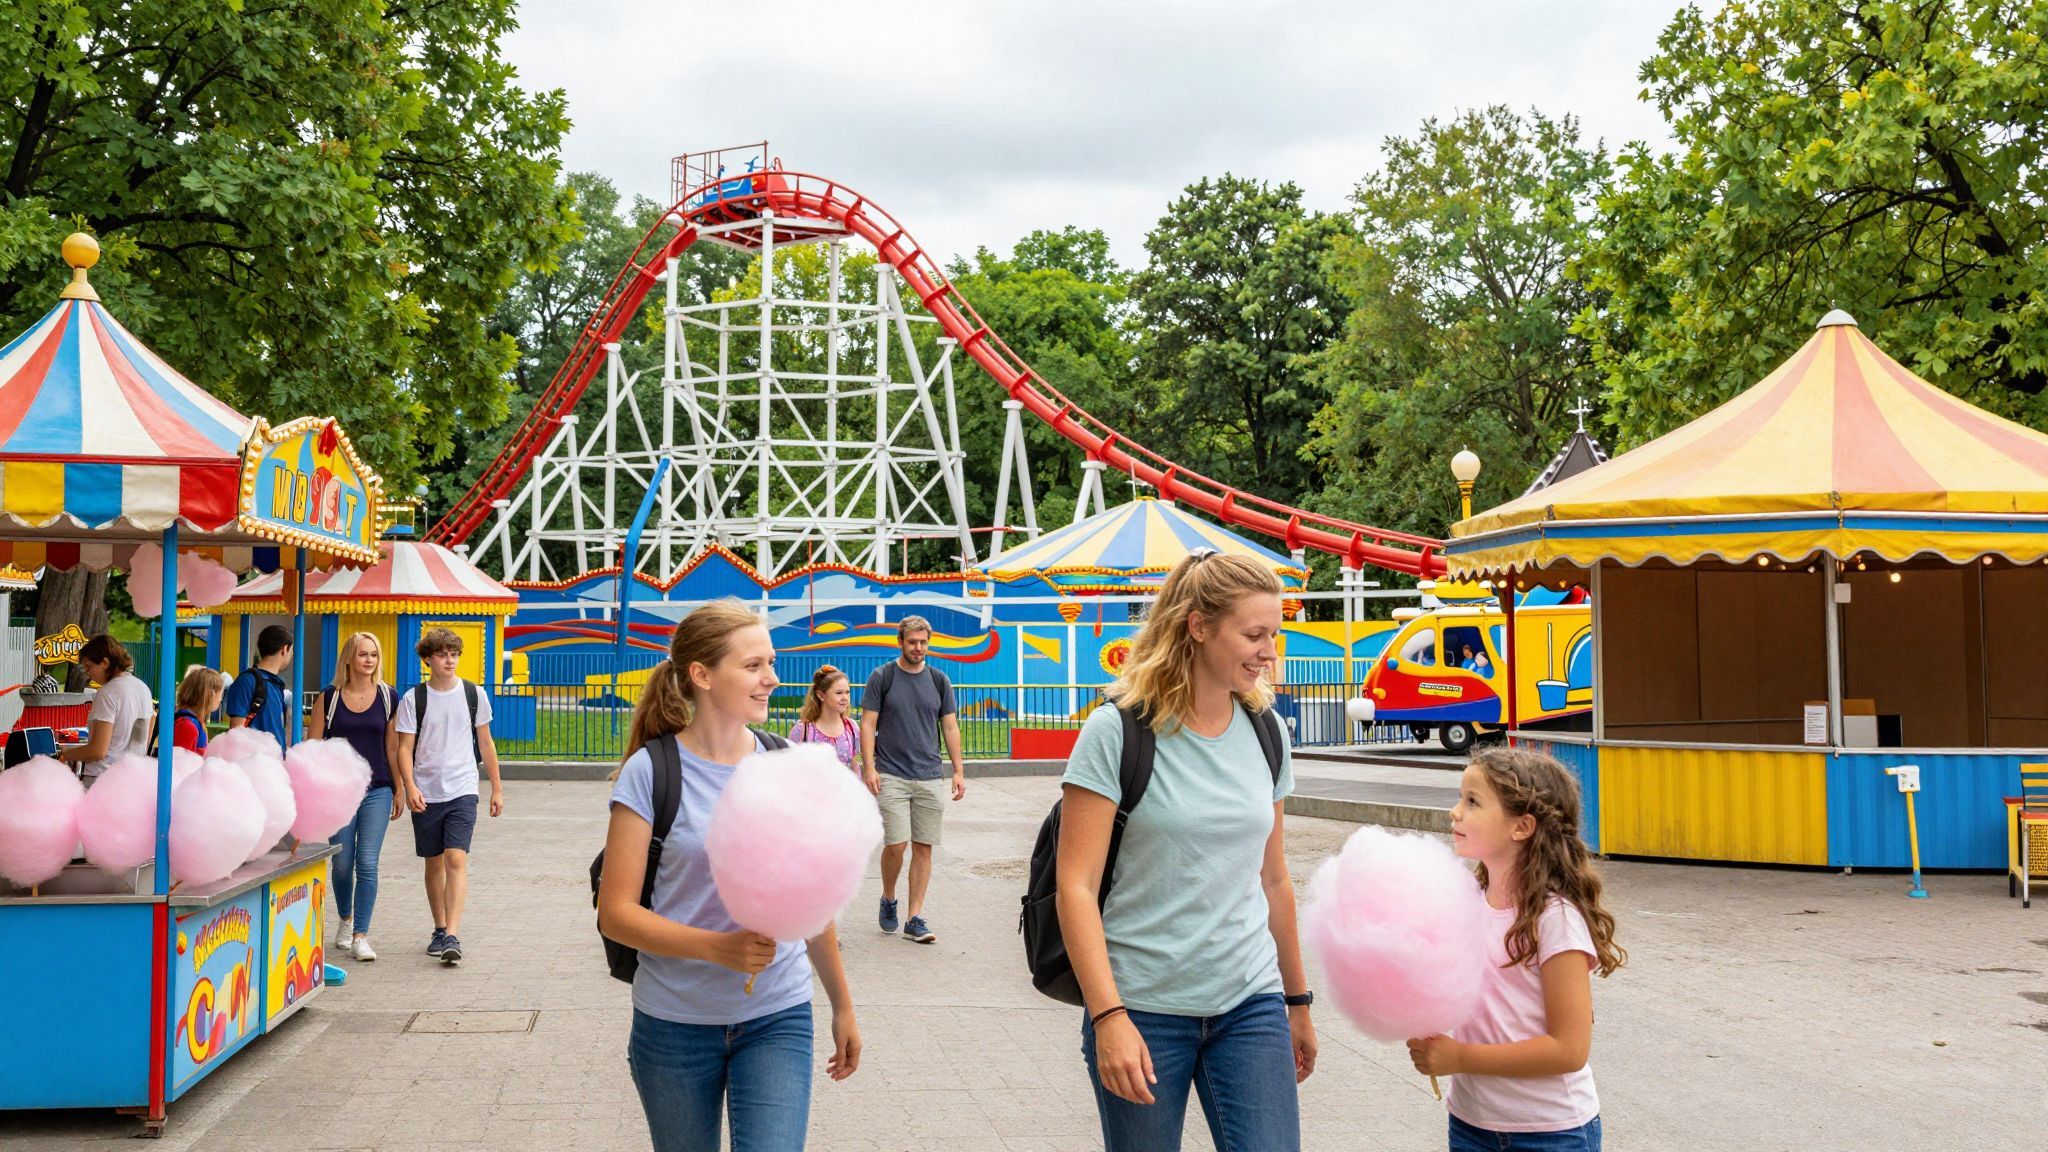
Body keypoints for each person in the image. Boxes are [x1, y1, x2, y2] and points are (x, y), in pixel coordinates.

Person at [1056, 551, 1316, 1152]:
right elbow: (1075, 886)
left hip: (1249, 1003)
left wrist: (1296, 1001)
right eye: (1254, 635)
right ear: (1198, 626)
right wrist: (1108, 1018)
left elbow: (1274, 880)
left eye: (1274, 634)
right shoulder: (1117, 730)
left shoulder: (1267, 731)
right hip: (1142, 1007)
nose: (1268, 652)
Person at [597, 600, 860, 1152]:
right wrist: (718, 948)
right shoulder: (652, 771)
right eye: (753, 666)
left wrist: (841, 1004)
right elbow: (615, 914)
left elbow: (810, 900)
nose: (772, 678)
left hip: (777, 1015)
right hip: (673, 1023)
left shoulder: (785, 762)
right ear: (702, 675)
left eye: (771, 661)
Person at [1407, 747, 1626, 1151]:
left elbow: (1569, 1049)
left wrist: (1460, 1058)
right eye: (1460, 798)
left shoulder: (1554, 918)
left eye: (1472, 801)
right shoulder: (1462, 900)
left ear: (1521, 827)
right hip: (1472, 1124)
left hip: (1552, 1133)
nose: (1456, 811)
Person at [392, 627, 502, 966]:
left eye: (454, 653)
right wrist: (410, 786)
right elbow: (404, 748)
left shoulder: (473, 694)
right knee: (434, 862)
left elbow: (486, 743)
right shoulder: (414, 699)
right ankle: (439, 929)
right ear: (428, 659)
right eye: (442, 654)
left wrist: (496, 787)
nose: (450, 659)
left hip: (463, 788)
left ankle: (452, 934)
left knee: (456, 858)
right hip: (426, 790)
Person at [859, 616, 965, 944]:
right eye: (912, 642)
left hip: (930, 775)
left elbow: (949, 726)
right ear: (900, 642)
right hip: (891, 773)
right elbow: (867, 723)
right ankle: (888, 897)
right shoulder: (883, 677)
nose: (918, 648)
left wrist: (958, 770)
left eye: (923, 642)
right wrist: (870, 768)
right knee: (896, 843)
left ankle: (914, 917)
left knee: (923, 846)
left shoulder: (938, 680)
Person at [310, 632, 399, 962]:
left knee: (367, 862)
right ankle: (345, 920)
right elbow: (314, 747)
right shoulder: (330, 697)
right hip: (339, 792)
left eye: (374, 654)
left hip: (378, 789)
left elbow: (393, 747)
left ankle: (362, 934)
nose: (369, 660)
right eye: (363, 654)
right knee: (343, 863)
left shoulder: (388, 696)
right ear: (348, 658)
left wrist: (400, 787)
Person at [59, 635, 155, 780]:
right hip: (134, 778)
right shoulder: (143, 688)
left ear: (105, 662)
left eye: (88, 666)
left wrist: (66, 753)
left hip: (102, 779)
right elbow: (147, 731)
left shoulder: (107, 693)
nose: (87, 673)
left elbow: (98, 751)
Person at [222, 623, 294, 750]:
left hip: (273, 763)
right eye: (291, 650)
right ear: (284, 649)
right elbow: (236, 733)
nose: (292, 655)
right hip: (254, 764)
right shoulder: (247, 681)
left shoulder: (276, 684)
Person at [788, 665, 859, 774]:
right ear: (821, 695)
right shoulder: (803, 730)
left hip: (845, 789)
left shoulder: (851, 727)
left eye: (847, 692)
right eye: (839, 693)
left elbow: (854, 763)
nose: (845, 697)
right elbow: (790, 766)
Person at [170, 665, 226, 753]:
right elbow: (181, 764)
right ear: (211, 694)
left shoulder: (194, 722)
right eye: (221, 694)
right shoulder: (187, 726)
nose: (221, 699)